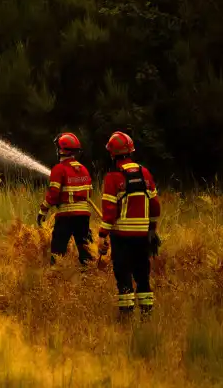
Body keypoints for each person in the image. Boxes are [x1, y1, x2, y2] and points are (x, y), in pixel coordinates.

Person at [97, 131, 161, 319]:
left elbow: (109, 211)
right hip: (142, 236)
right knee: (142, 274)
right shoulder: (145, 172)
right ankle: (147, 314)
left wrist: (102, 235)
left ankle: (125, 316)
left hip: (122, 236)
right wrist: (152, 228)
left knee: (123, 274)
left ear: (112, 154)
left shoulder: (113, 177)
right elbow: (155, 204)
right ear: (131, 151)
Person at [38, 132, 94, 267]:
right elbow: (90, 193)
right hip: (83, 216)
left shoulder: (59, 169)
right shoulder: (83, 169)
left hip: (66, 216)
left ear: (62, 150)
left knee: (58, 250)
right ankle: (90, 278)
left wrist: (42, 211)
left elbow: (53, 194)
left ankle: (56, 278)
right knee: (85, 249)